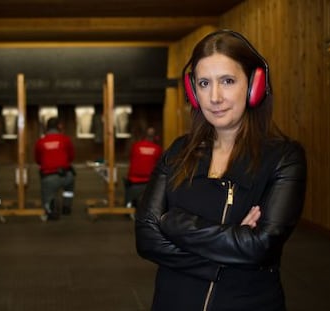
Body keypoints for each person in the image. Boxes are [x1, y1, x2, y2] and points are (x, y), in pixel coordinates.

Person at [135, 29, 307, 311]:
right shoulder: (178, 152)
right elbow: (146, 239)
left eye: (227, 81)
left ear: (254, 85)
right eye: (204, 83)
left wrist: (174, 223)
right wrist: (232, 247)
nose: (214, 97)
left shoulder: (284, 158)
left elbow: (261, 247)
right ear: (193, 91)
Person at [34, 117, 75, 220]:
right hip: (66, 175)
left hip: (49, 178)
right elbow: (71, 157)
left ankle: (50, 210)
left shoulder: (40, 142)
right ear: (59, 126)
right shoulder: (65, 139)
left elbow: (38, 160)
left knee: (47, 194)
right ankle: (66, 206)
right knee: (70, 185)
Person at [124, 127, 162, 208]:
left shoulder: (136, 146)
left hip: (133, 180)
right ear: (156, 137)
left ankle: (128, 205)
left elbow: (131, 158)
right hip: (150, 181)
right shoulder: (157, 149)